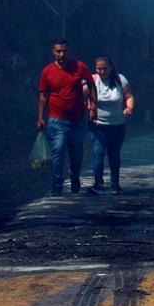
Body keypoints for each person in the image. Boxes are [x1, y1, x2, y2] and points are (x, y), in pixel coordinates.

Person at [37, 38, 96, 196]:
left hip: (77, 120)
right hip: (57, 119)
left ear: (68, 51)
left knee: (76, 153)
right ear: (53, 52)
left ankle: (74, 177)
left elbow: (91, 85)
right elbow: (43, 95)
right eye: (58, 51)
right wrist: (40, 117)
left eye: (64, 51)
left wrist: (93, 107)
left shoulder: (79, 67)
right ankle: (57, 185)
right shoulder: (47, 71)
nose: (62, 54)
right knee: (58, 151)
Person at [88, 54, 135, 195]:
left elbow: (129, 96)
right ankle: (98, 183)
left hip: (117, 125)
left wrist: (129, 107)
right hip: (98, 125)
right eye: (99, 69)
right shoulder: (92, 80)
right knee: (98, 152)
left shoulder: (120, 79)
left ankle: (115, 183)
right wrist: (90, 109)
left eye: (104, 69)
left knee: (114, 154)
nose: (102, 72)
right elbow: (82, 96)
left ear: (111, 68)